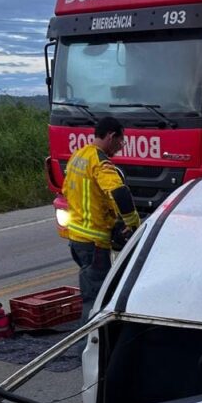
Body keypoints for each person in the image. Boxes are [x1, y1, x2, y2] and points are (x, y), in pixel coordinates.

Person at [62, 116, 140, 319]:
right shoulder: (101, 162)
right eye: (121, 141)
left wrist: (113, 219)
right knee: (97, 301)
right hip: (94, 242)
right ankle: (89, 338)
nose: (120, 147)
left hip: (76, 239)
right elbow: (119, 192)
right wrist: (132, 222)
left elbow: (69, 191)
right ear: (111, 136)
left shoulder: (78, 156)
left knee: (94, 290)